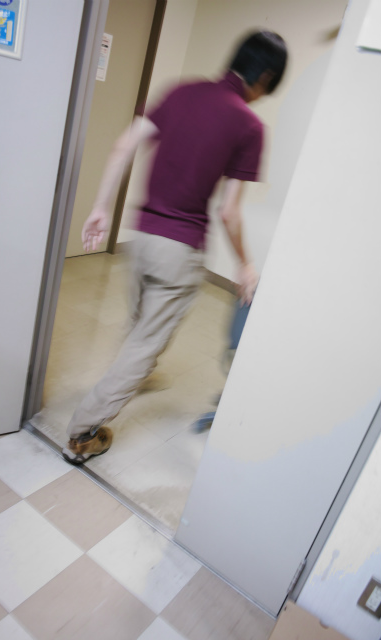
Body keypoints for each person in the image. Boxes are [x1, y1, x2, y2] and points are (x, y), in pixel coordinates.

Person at [62, 30, 288, 464]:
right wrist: (245, 264)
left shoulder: (182, 91)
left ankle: (139, 375)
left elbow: (124, 145)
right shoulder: (249, 126)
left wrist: (100, 207)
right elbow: (229, 212)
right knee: (144, 344)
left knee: (139, 320)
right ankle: (82, 433)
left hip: (142, 238)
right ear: (264, 77)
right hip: (179, 249)